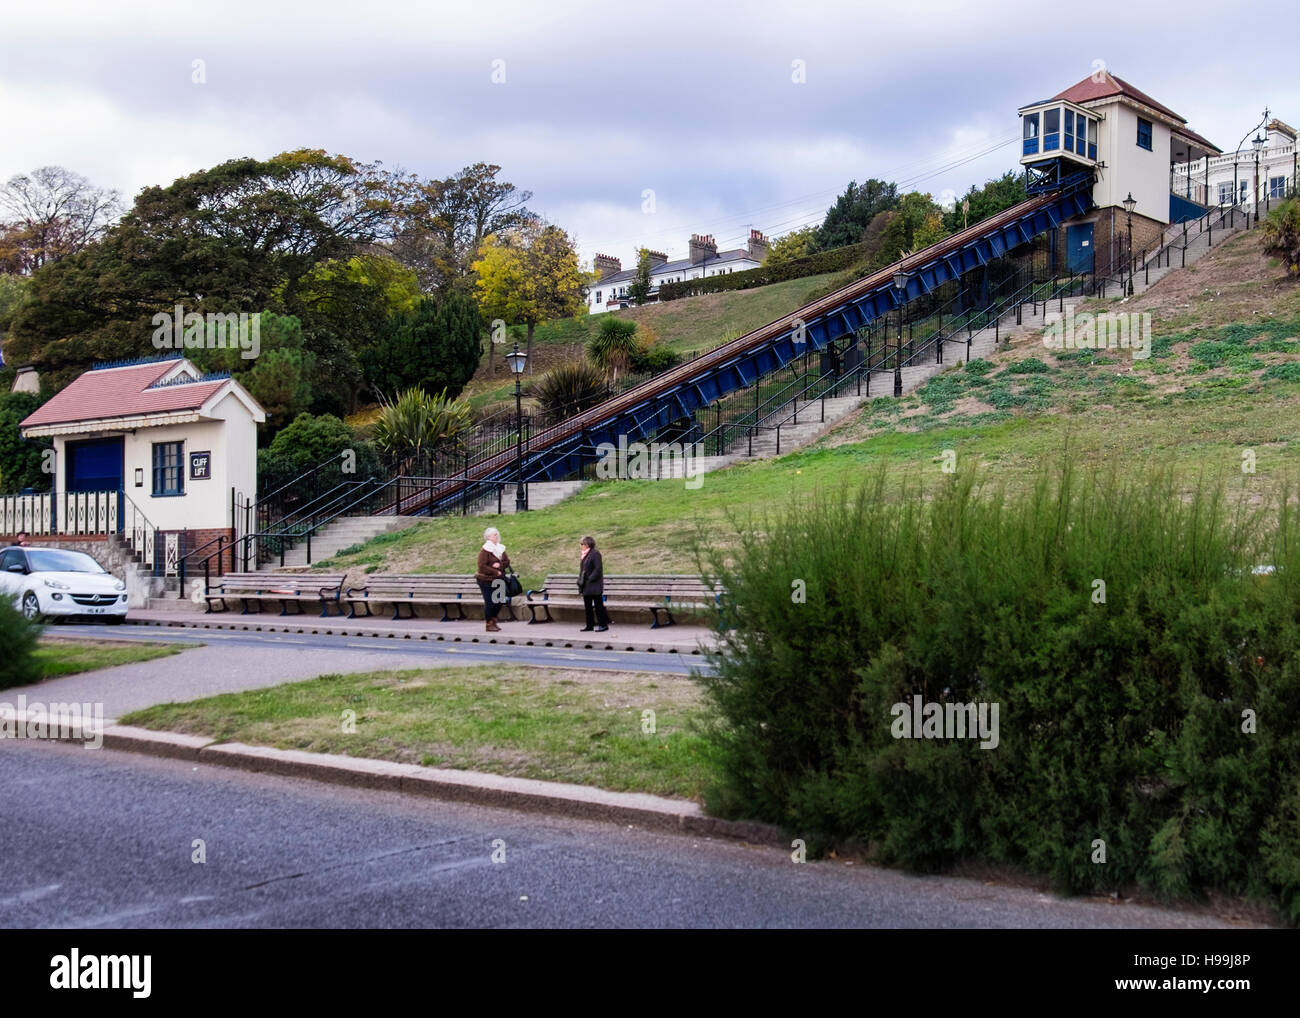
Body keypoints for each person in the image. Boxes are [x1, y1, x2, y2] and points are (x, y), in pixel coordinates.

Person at [475, 526, 511, 632]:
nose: (496, 536)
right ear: (488, 537)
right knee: (490, 602)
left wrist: (499, 565)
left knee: (499, 601)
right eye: (494, 534)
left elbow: (507, 562)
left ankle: (494, 620)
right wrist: (495, 571)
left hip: (499, 579)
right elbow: (481, 565)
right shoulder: (485, 550)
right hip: (486, 580)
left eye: (497, 534)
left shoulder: (500, 548)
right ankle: (489, 623)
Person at [578, 535, 610, 632]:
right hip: (586, 586)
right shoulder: (584, 555)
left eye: (582, 544)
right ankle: (589, 625)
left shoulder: (595, 553)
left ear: (587, 544)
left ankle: (603, 625)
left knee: (598, 606)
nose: (581, 546)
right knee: (588, 607)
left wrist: (590, 579)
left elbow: (598, 569)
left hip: (594, 585)